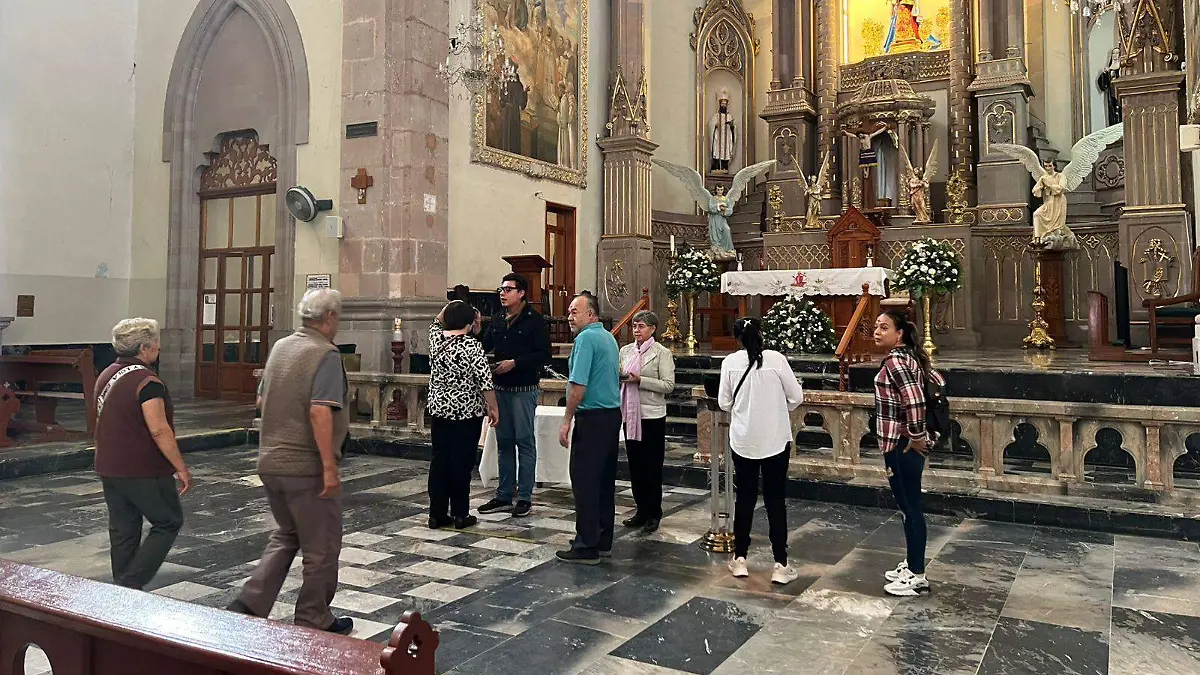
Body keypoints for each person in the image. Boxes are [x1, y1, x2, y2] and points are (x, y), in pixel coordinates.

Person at [228, 288, 354, 635]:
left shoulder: (281, 347)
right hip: (305, 467)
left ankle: (250, 603)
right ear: (328, 318)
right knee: (322, 547)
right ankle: (314, 617)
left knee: (287, 534)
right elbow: (319, 411)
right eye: (337, 318)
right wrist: (329, 466)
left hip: (270, 461)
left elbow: (260, 402)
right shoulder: (325, 353)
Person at [94, 318, 190, 590]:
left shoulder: (106, 374)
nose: (159, 347)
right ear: (145, 347)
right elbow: (159, 429)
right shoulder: (147, 381)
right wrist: (180, 467)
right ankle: (131, 583)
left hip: (109, 465)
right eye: (156, 342)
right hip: (142, 468)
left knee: (124, 528)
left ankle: (122, 590)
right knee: (168, 521)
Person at [718, 318, 802, 585]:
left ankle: (740, 558)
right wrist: (779, 409)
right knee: (776, 500)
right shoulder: (776, 360)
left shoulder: (730, 362)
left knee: (744, 498)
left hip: (744, 440)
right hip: (775, 439)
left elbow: (723, 402)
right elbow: (796, 397)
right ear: (761, 335)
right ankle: (780, 563)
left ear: (737, 339)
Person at [873, 309, 943, 597]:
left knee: (910, 508)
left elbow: (914, 402)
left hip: (901, 444)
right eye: (876, 326)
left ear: (899, 333)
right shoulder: (907, 357)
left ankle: (916, 574)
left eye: (884, 327)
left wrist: (915, 437)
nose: (877, 331)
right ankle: (912, 565)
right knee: (907, 507)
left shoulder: (895, 361)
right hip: (902, 442)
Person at [477, 273, 552, 518]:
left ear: (521, 293)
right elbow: (483, 345)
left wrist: (515, 363)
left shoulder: (534, 321)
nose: (503, 293)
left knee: (524, 441)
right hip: (500, 389)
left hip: (523, 389)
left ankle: (525, 497)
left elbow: (543, 354)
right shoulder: (498, 319)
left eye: (508, 289)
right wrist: (477, 331)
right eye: (501, 289)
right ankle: (504, 494)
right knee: (504, 442)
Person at [556, 293, 622, 564]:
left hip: (592, 417)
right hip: (610, 416)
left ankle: (586, 545)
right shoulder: (608, 337)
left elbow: (578, 384)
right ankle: (603, 539)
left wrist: (567, 419)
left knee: (584, 482)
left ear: (591, 315)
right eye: (569, 312)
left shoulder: (585, 339)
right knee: (604, 482)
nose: (569, 317)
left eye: (575, 312)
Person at [428, 301, 500, 530]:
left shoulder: (435, 339)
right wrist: (494, 408)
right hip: (466, 413)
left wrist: (453, 306)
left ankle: (436, 514)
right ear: (470, 323)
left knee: (440, 461)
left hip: (439, 411)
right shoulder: (472, 346)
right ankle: (460, 514)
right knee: (461, 463)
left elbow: (437, 320)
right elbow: (485, 382)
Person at [618, 310, 675, 534]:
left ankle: (654, 512)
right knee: (635, 464)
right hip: (631, 413)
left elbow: (668, 385)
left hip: (652, 414)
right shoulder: (625, 351)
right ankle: (640, 509)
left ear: (652, 329)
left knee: (651, 465)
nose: (636, 330)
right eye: (634, 326)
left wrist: (640, 380)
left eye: (641, 326)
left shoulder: (662, 353)